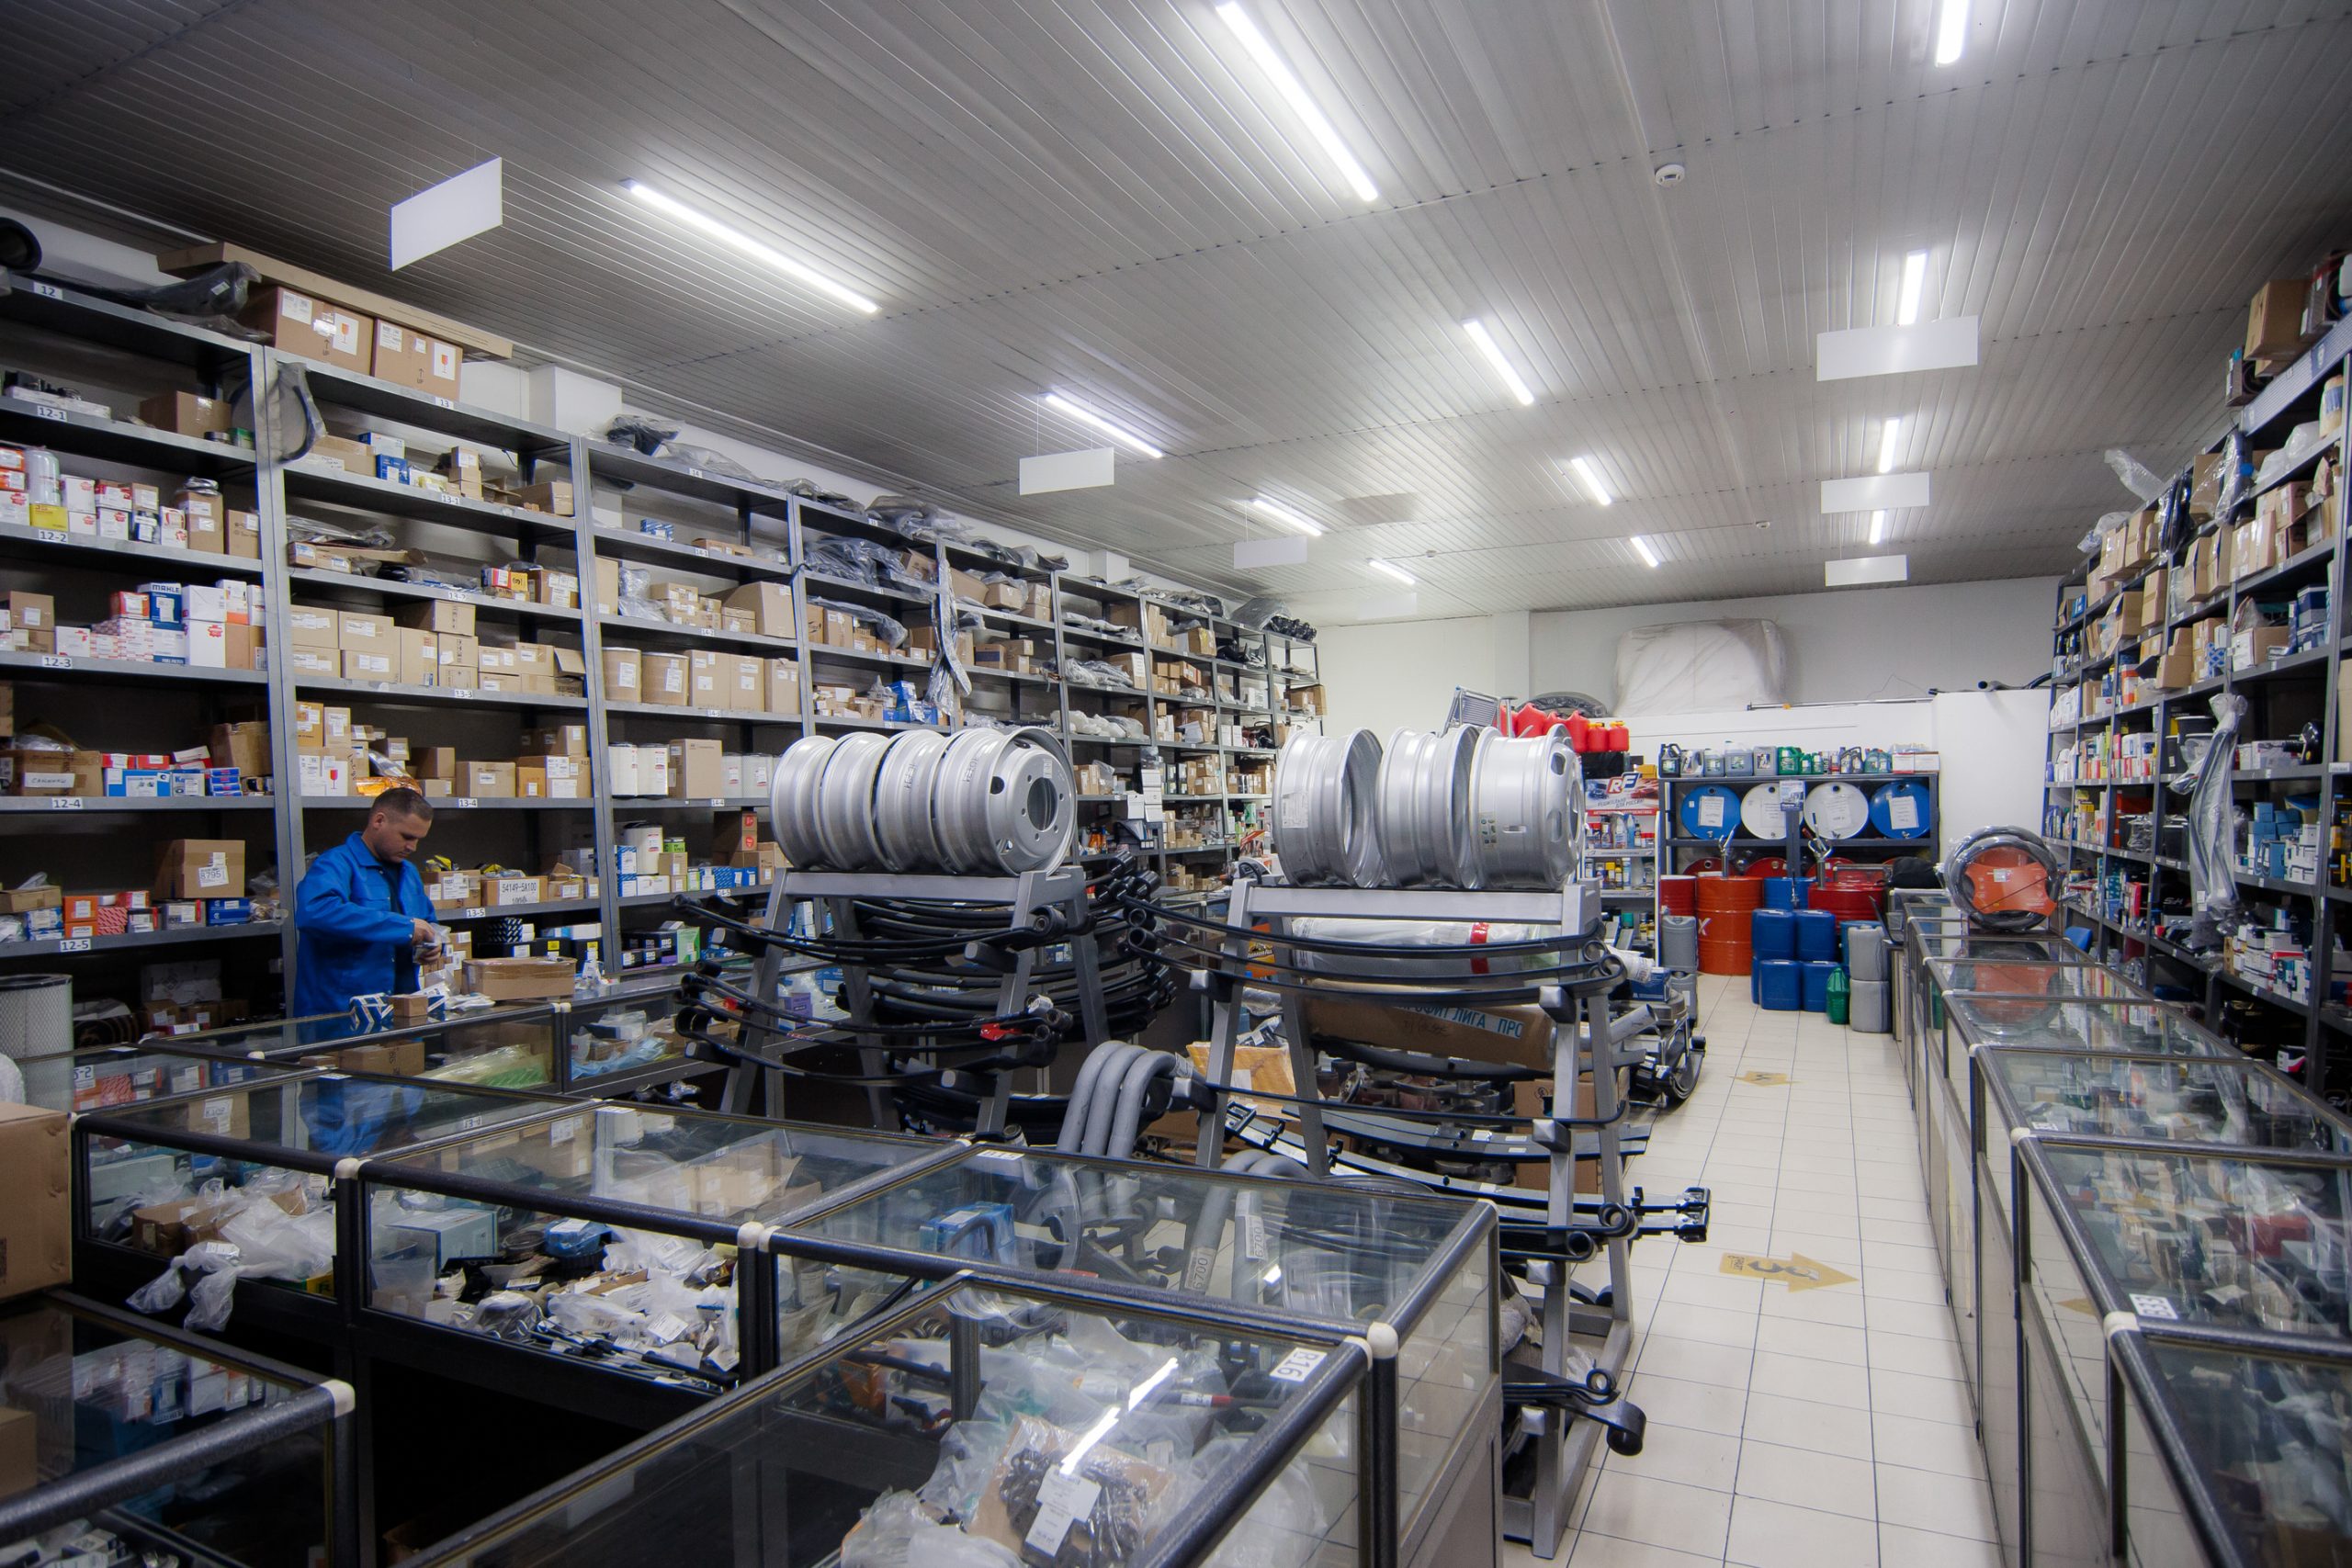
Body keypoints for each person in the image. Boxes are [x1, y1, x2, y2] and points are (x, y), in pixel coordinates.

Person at [292, 787, 442, 1017]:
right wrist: (404, 927)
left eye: (418, 840)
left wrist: (434, 944)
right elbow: (314, 912)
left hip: (401, 1009)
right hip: (342, 1015)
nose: (412, 847)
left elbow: (428, 921)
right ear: (379, 821)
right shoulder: (336, 864)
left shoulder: (409, 872)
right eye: (406, 837)